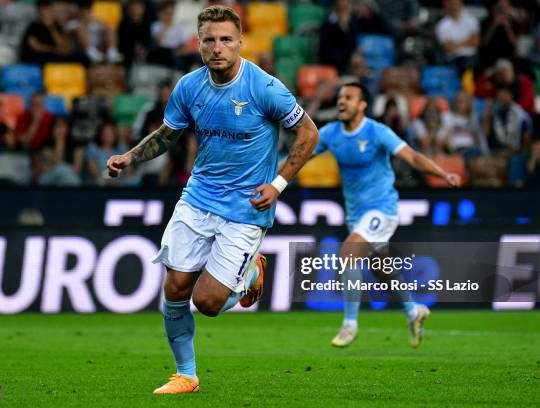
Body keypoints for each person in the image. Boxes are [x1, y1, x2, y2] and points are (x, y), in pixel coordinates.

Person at [106, 5, 318, 394]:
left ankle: (252, 271)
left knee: (208, 302)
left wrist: (278, 185)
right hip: (199, 196)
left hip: (245, 207)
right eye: (209, 40)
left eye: (225, 40)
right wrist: (130, 157)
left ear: (240, 42)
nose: (217, 47)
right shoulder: (189, 86)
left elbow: (308, 133)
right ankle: (186, 374)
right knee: (175, 287)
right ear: (198, 44)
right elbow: (167, 135)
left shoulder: (264, 87)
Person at [307, 82, 461, 348]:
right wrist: (273, 177)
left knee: (348, 252)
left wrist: (442, 173)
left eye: (349, 97)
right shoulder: (331, 133)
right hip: (356, 213)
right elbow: (299, 156)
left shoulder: (377, 132)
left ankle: (349, 324)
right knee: (381, 269)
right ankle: (413, 310)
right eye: (340, 97)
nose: (342, 102)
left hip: (382, 209)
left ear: (363, 105)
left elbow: (411, 157)